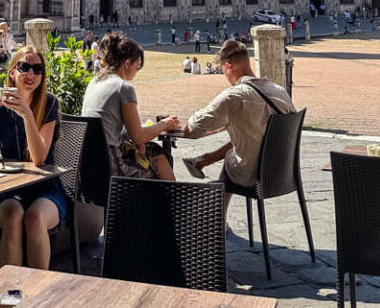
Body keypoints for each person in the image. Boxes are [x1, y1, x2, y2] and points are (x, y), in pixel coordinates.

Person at [0, 45, 67, 269]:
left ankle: (36, 293)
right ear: (12, 72)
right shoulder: (2, 104)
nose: (31, 74)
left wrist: (27, 115)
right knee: (14, 215)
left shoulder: (49, 103)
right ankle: (10, 293)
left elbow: (39, 159)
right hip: (9, 190)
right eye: (24, 67)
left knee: (34, 218)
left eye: (38, 69)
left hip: (47, 189)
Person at [182, 40, 294, 219]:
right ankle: (204, 161)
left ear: (228, 65)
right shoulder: (280, 91)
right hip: (283, 173)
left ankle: (218, 219)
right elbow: (257, 136)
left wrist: (192, 116)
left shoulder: (233, 96)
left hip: (254, 175)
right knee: (243, 140)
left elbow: (192, 130)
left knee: (231, 159)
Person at [82, 32, 180, 180]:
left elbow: (109, 125)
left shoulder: (94, 82)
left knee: (152, 150)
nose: (137, 71)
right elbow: (139, 136)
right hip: (112, 167)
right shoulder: (123, 87)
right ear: (127, 63)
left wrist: (137, 140)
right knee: (160, 158)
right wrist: (164, 124)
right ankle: (172, 201)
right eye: (137, 66)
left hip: (89, 161)